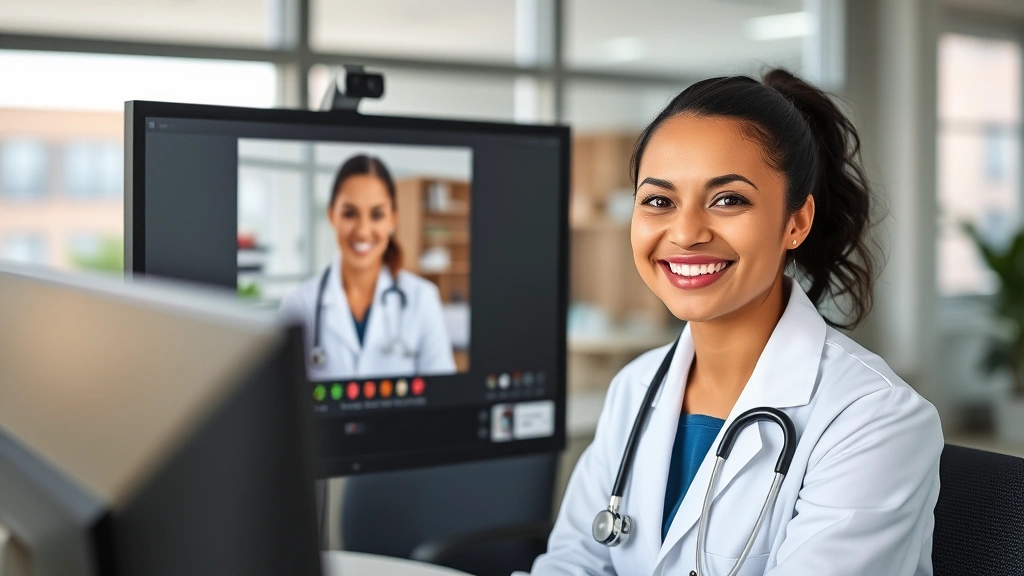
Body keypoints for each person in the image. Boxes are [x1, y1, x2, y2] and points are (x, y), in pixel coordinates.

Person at [524, 69, 943, 576]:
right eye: (659, 200)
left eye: (728, 200)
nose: (685, 232)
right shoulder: (635, 388)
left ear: (796, 222)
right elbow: (573, 564)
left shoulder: (874, 418)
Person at [280, 154, 456, 379]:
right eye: (350, 213)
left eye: (377, 215)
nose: (363, 231)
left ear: (393, 219)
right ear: (332, 215)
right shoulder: (299, 305)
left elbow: (442, 401)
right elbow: (283, 405)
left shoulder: (423, 299)